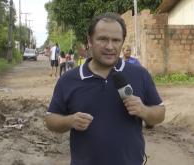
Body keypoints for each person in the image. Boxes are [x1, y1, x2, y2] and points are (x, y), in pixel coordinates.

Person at [45, 12, 165, 165]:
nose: (110, 46)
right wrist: (70, 121)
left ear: (122, 42)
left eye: (116, 40)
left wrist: (144, 110)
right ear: (90, 40)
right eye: (102, 39)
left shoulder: (139, 74)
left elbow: (160, 113)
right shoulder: (68, 80)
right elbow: (50, 119)